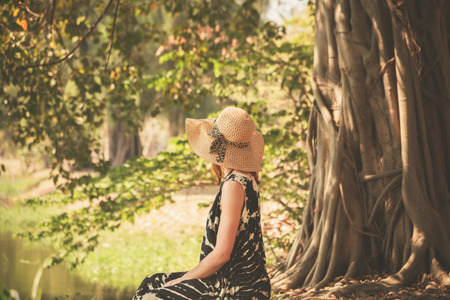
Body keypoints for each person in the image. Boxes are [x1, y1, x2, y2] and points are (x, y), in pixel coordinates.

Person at [132, 107, 271, 299]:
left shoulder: (234, 185)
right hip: (242, 282)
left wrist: (183, 280)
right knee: (151, 282)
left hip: (237, 288)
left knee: (151, 296)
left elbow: (222, 254)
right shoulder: (247, 178)